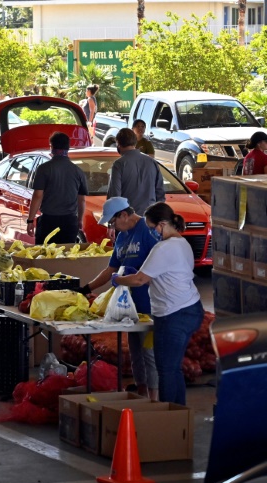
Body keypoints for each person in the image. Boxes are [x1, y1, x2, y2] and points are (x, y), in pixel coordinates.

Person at [112, 202, 203, 406]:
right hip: (190, 309)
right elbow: (156, 276)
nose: (152, 233)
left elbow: (140, 280)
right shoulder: (182, 244)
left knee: (166, 370)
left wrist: (117, 280)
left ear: (162, 224)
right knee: (173, 368)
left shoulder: (164, 248)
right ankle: (179, 413)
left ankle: (169, 415)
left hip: (174, 314)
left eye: (153, 228)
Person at [79, 197, 159, 401]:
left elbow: (161, 264)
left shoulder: (147, 230)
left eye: (112, 222)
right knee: (135, 352)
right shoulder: (122, 238)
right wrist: (87, 288)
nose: (111, 227)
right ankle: (141, 393)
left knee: (149, 354)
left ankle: (154, 400)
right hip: (130, 307)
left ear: (124, 214)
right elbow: (111, 269)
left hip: (152, 304)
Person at [26, 132, 88, 244]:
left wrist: (30, 220)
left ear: (51, 147)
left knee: (44, 256)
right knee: (66, 257)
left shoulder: (43, 169)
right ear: (68, 148)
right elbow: (82, 200)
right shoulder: (78, 171)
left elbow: (37, 195)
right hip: (69, 222)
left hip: (48, 222)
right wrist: (79, 220)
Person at [107, 127, 165, 216]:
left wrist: (112, 221)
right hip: (149, 219)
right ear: (135, 142)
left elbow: (115, 197)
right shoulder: (152, 162)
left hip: (127, 220)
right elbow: (160, 193)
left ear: (118, 144)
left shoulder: (119, 164)